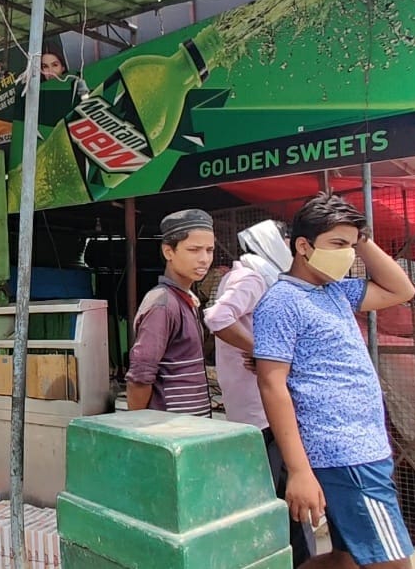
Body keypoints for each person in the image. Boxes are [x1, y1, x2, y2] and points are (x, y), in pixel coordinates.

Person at [254, 193, 415, 569]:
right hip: (343, 454)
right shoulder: (281, 302)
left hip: (366, 447)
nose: (348, 254)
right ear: (303, 246)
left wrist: (363, 239)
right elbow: (272, 385)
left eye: (351, 245)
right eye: (337, 245)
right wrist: (298, 470)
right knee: (392, 563)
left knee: (345, 558)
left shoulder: (336, 292)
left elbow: (401, 290)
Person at [204, 220, 315, 568]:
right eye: (286, 238)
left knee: (278, 495)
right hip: (259, 409)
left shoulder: (261, 275)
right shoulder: (250, 276)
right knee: (279, 495)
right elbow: (218, 318)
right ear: (273, 241)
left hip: (262, 406)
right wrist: (262, 350)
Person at [126, 209, 215, 416]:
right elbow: (140, 377)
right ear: (169, 252)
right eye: (194, 250)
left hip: (190, 430)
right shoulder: (163, 304)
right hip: (170, 430)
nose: (204, 259)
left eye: (209, 250)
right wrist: (138, 427)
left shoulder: (185, 299)